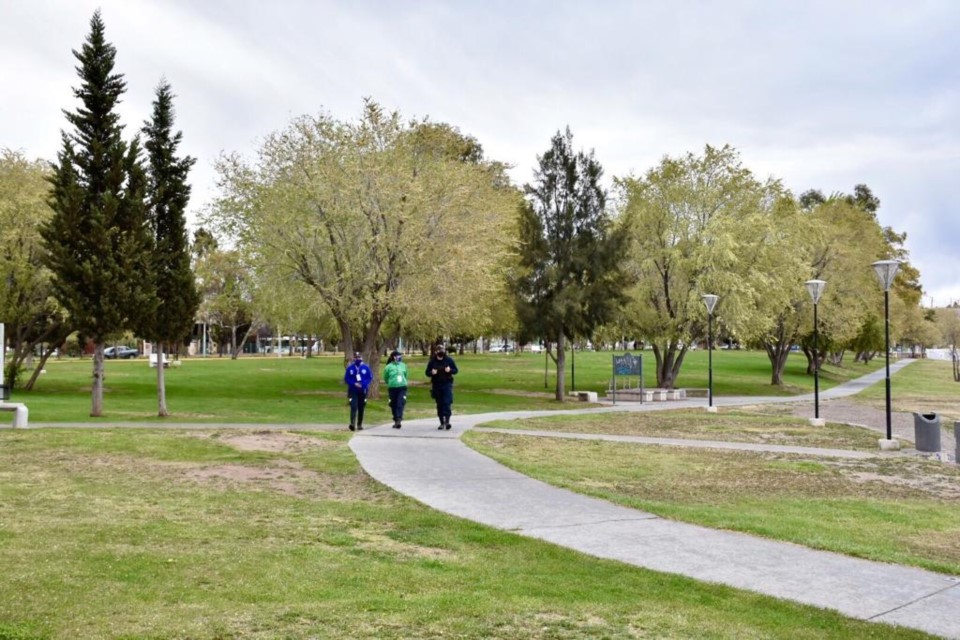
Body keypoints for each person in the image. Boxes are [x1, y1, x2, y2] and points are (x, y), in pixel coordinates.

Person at [425, 345, 458, 430]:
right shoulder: (432, 362)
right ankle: (441, 423)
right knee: (439, 404)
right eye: (439, 350)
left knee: (447, 403)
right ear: (436, 352)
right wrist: (432, 372)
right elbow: (427, 373)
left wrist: (450, 370)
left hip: (447, 384)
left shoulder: (449, 360)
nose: (441, 352)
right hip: (436, 385)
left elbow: (456, 370)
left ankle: (447, 422)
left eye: (442, 350)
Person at [343, 351, 372, 431]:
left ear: (361, 358)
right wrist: (354, 383)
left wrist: (363, 384)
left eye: (359, 357)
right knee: (353, 406)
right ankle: (352, 423)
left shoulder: (366, 368)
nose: (357, 359)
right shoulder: (350, 368)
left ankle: (359, 424)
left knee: (361, 407)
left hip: (363, 390)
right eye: (356, 357)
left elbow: (369, 377)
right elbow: (347, 378)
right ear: (353, 358)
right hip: (353, 390)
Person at [383, 350, 409, 429]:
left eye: (399, 356)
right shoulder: (388, 367)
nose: (399, 357)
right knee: (393, 404)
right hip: (392, 388)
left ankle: (399, 420)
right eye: (397, 356)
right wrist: (391, 382)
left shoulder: (403, 365)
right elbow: (386, 378)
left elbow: (406, 375)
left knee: (400, 403)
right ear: (393, 357)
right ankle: (395, 419)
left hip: (402, 387)